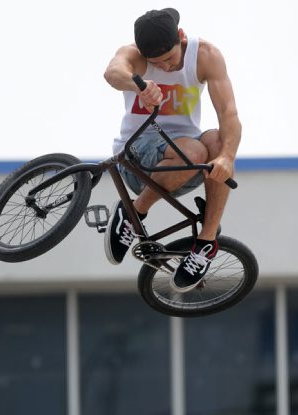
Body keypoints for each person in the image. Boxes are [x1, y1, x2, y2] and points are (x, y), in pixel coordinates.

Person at [104, 7, 241, 292]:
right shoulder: (135, 57)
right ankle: (133, 212)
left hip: (183, 165)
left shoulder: (205, 56)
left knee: (216, 142)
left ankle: (205, 243)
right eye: (157, 63)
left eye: (169, 59)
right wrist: (138, 85)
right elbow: (112, 72)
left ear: (181, 36)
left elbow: (228, 112)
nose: (165, 68)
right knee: (195, 152)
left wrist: (227, 157)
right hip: (137, 161)